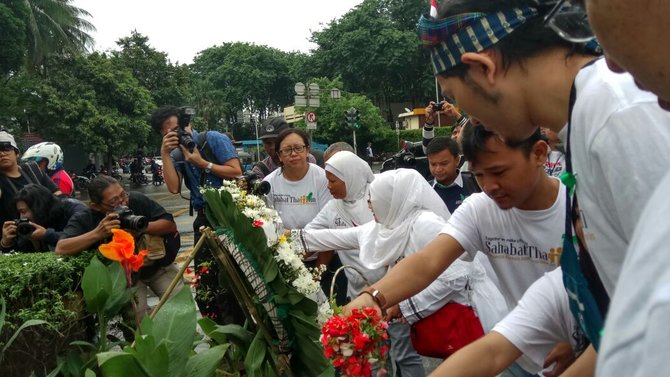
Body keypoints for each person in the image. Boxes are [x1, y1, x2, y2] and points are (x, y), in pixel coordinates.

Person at [418, 0, 670, 354]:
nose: (470, 120)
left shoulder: (619, 115)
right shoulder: (585, 118)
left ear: (482, 67)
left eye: (453, 96)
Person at [348, 126, 576, 376]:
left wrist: (579, 336)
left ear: (540, 154)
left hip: (578, 354)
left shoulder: (579, 212)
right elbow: (428, 261)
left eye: (499, 172)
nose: (489, 186)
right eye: (478, 175)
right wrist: (372, 299)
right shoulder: (480, 209)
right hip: (510, 347)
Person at [293, 168, 506, 376]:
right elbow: (335, 237)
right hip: (445, 319)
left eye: (373, 199)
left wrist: (401, 305)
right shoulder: (387, 226)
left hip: (470, 314)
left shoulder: (424, 224)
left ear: (391, 199)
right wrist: (287, 238)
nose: (370, 205)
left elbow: (456, 277)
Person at [153, 105, 243, 325]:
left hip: (231, 214)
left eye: (178, 129)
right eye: (168, 133)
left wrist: (203, 164)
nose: (176, 135)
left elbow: (236, 171)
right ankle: (218, 329)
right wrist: (165, 153)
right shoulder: (175, 154)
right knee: (206, 278)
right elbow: (174, 188)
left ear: (187, 124)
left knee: (240, 273)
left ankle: (245, 325)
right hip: (204, 217)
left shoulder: (212, 139)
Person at [55, 176, 182, 317]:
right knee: (137, 318)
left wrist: (141, 227)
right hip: (125, 277)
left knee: (180, 305)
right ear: (96, 206)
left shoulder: (136, 200)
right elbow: (61, 248)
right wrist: (98, 233)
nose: (123, 203)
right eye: (114, 202)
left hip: (156, 264)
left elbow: (170, 225)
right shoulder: (86, 217)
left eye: (123, 195)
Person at [431, 268, 587, 377]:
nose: (581, 227)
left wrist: (575, 342)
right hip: (523, 354)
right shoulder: (558, 284)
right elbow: (493, 352)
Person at [1, 131, 61, 234]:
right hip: (16, 236)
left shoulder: (32, 169)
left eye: (6, 148)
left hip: (49, 230)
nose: (1, 153)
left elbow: (57, 193)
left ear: (17, 153)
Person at [1, 184, 86, 253]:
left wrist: (46, 235)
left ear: (38, 207)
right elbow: (20, 261)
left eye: (23, 211)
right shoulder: (32, 224)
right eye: (19, 213)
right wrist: (6, 243)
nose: (21, 217)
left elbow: (83, 237)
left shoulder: (74, 210)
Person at [424, 136, 480, 212]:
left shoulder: (475, 183)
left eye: (444, 164)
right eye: (433, 164)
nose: (438, 169)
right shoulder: (425, 190)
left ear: (457, 160)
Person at [251, 117, 317, 180]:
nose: (273, 147)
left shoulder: (307, 159)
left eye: (276, 141)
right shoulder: (260, 169)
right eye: (268, 143)